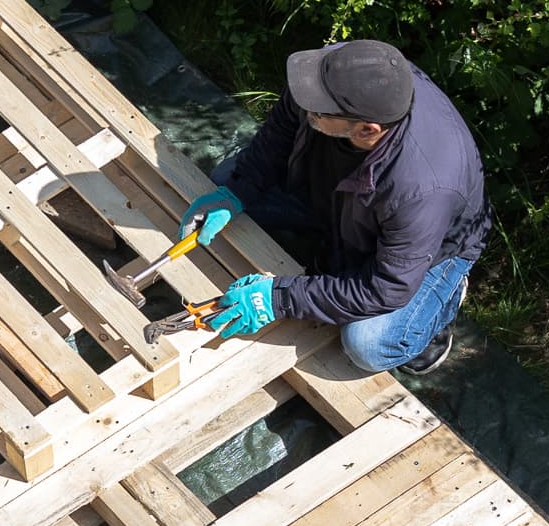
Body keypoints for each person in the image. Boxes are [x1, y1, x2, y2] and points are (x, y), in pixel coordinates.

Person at [180, 38, 489, 376]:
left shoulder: (422, 191)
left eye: (317, 111)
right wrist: (237, 191)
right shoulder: (338, 73)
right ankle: (332, 245)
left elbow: (384, 287)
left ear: (367, 129)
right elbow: (281, 129)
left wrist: (277, 297)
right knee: (226, 178)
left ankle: (440, 304)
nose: (304, 103)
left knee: (368, 344)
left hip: (427, 249)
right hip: (340, 199)